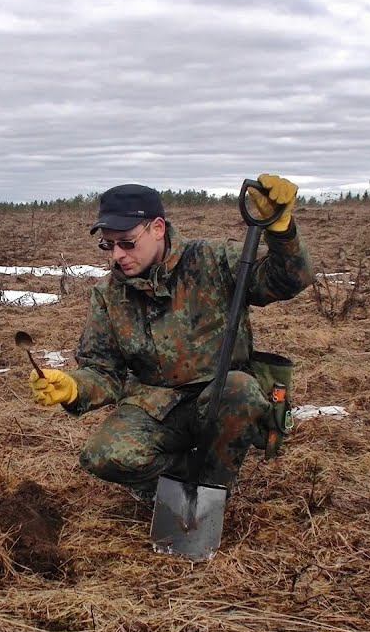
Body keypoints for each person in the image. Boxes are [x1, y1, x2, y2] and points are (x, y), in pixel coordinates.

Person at [27, 175, 313, 501]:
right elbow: (103, 371)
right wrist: (74, 386)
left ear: (158, 229)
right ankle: (185, 478)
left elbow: (288, 279)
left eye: (127, 242)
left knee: (239, 391)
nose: (117, 255)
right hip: (156, 408)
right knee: (103, 456)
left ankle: (212, 490)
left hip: (221, 396)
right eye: (108, 245)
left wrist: (282, 230)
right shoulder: (109, 295)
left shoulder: (212, 260)